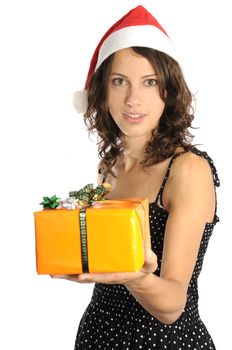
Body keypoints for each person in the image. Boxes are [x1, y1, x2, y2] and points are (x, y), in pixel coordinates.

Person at [53, 5, 220, 349]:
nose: (133, 99)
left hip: (162, 341)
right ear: (102, 90)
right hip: (97, 335)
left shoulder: (187, 170)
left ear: (168, 90)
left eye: (149, 82)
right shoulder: (108, 166)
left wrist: (133, 276)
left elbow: (173, 304)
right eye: (119, 82)